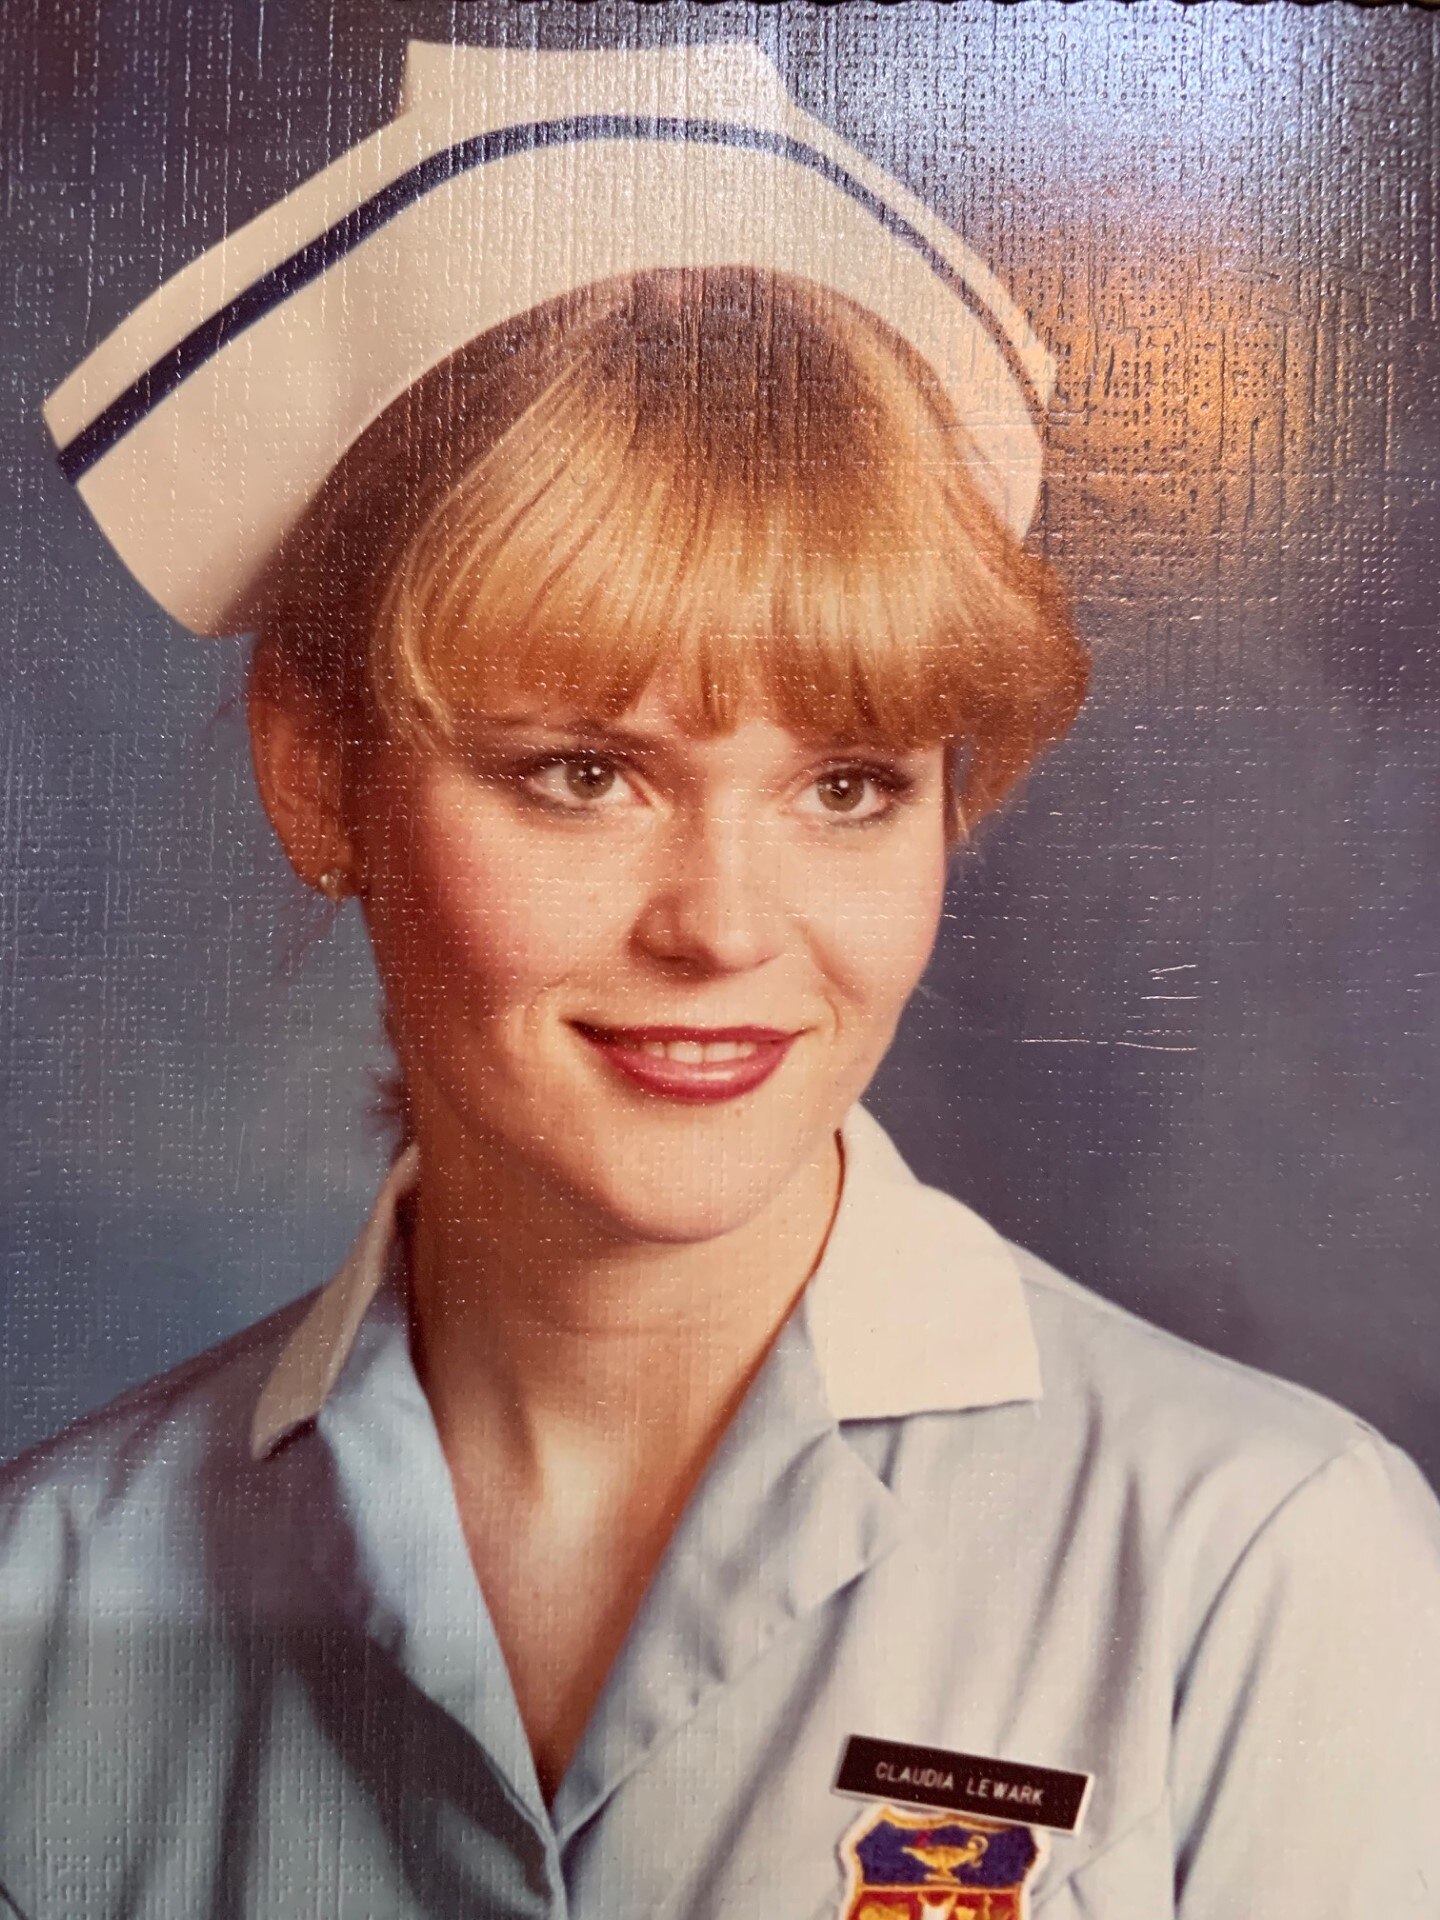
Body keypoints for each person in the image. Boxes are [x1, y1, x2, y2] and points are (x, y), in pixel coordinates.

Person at [3, 38, 1438, 1920]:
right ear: (315, 771)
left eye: (848, 786)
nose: (727, 927)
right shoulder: (44, 1610)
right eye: (585, 773)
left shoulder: (1262, 1568)